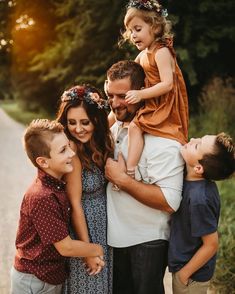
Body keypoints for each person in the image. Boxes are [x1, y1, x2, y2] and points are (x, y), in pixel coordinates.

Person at [104, 60, 185, 294]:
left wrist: (123, 180)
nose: (115, 103)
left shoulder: (163, 141)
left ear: (140, 93)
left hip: (147, 242)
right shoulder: (114, 127)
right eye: (110, 95)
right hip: (114, 240)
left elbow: (170, 202)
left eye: (122, 96)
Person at [11, 119, 104, 294]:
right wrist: (96, 249)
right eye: (63, 150)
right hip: (34, 281)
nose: (71, 153)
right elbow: (66, 247)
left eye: (69, 146)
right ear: (43, 162)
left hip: (50, 277)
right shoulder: (42, 196)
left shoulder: (57, 184)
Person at [109, 0, 188, 179]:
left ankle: (130, 170)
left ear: (154, 27)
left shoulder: (162, 52)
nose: (133, 35)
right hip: (149, 101)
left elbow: (168, 84)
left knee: (135, 127)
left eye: (138, 29)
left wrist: (140, 94)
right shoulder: (142, 55)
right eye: (130, 31)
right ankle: (102, 128)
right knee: (121, 113)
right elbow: (128, 76)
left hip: (162, 104)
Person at [56, 85, 113, 294]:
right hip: (85, 230)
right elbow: (75, 204)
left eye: (85, 122)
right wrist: (87, 251)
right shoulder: (72, 150)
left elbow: (116, 116)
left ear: (96, 120)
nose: (78, 129)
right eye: (71, 122)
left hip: (102, 230)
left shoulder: (96, 142)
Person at [168, 133, 235, 294]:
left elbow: (211, 244)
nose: (192, 140)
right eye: (198, 138)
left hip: (192, 277)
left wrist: (184, 275)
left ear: (198, 168)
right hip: (187, 269)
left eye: (197, 145)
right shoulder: (193, 180)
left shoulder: (200, 199)